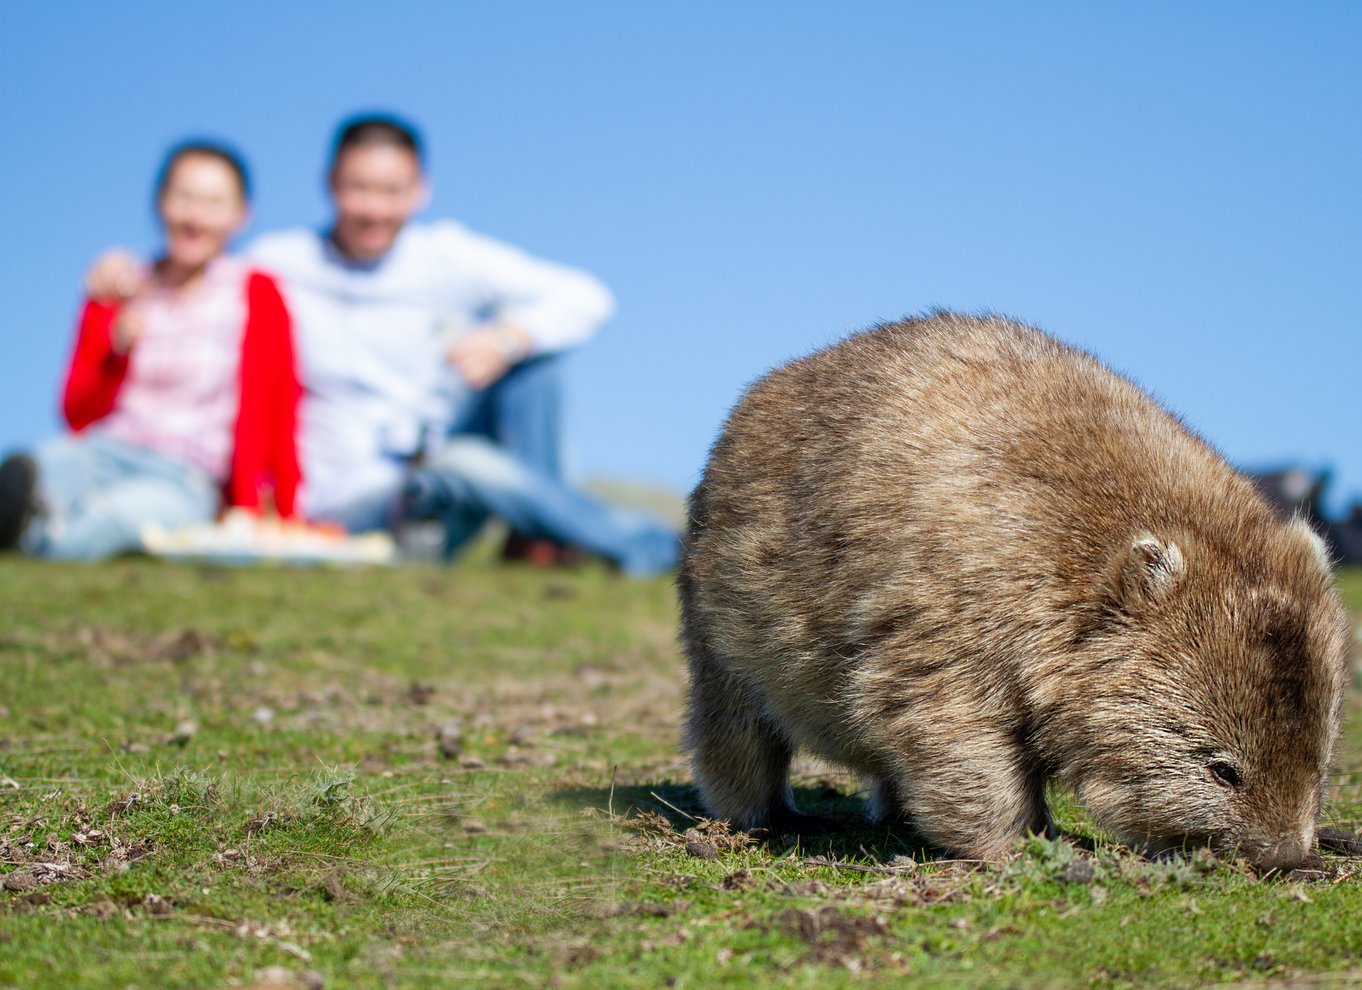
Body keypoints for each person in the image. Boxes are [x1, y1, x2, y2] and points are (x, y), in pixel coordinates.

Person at [84, 114, 678, 575]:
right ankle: (651, 548)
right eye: (358, 189)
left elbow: (587, 295)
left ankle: (548, 541)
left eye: (392, 190)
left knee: (534, 360)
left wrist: (506, 336)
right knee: (465, 464)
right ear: (330, 186)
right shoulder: (279, 265)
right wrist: (125, 269)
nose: (374, 208)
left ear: (421, 190)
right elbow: (197, 274)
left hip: (435, 459)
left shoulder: (448, 256)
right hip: (351, 506)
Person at [0, 142, 301, 561]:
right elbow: (75, 413)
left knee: (112, 523)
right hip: (103, 452)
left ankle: (37, 541)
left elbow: (281, 408)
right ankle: (31, 521)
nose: (196, 216)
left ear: (240, 215)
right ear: (161, 202)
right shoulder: (119, 287)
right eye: (184, 197)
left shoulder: (256, 294)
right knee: (37, 471)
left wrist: (285, 511)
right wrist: (115, 349)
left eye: (214, 203)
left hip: (186, 476)